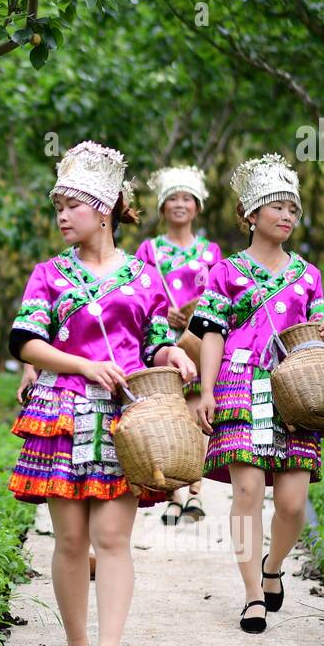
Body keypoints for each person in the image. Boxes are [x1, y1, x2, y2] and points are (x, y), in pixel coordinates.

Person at [7, 141, 197, 646]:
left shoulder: (143, 277)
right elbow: (25, 342)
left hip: (124, 421)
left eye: (73, 204)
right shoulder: (48, 274)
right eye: (57, 206)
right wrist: (85, 366)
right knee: (69, 541)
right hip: (62, 414)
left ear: (106, 207)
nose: (62, 216)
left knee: (112, 539)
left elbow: (155, 341)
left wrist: (176, 354)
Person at [188, 154, 324, 633]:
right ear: (251, 214)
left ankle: (273, 565)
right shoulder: (226, 272)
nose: (287, 216)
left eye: (293, 209)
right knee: (248, 490)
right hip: (239, 384)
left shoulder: (308, 274)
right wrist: (206, 389)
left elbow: (314, 327)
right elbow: (210, 333)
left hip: (295, 391)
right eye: (277, 207)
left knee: (294, 502)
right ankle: (253, 593)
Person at [134, 167, 223, 526]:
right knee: (169, 414)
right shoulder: (149, 249)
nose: (180, 204)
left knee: (194, 413)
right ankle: (175, 494)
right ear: (162, 207)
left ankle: (193, 490)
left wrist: (196, 313)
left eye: (187, 198)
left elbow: (221, 295)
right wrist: (164, 312)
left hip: (198, 341)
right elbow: (139, 292)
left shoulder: (210, 251)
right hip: (164, 341)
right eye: (173, 198)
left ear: (197, 207)